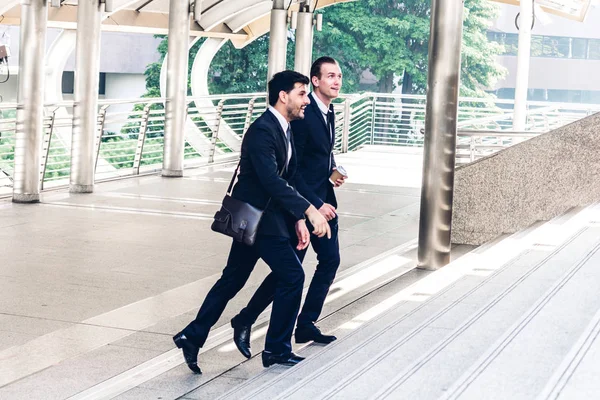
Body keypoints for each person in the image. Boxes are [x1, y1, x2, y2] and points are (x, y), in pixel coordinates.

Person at [173, 70, 331, 374]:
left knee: (232, 279)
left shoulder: (284, 129)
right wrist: (310, 212)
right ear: (283, 96)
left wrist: (299, 216)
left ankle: (192, 336)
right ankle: (275, 349)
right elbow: (271, 181)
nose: (306, 101)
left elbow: (292, 175)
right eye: (301, 93)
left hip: (268, 218)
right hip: (259, 220)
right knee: (292, 276)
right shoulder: (262, 131)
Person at [230, 57, 346, 359]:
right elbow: (291, 170)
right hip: (304, 204)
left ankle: (304, 323)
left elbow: (315, 158)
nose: (336, 81)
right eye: (330, 76)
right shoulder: (302, 116)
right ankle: (250, 320)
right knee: (289, 273)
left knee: (325, 263)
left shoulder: (327, 111)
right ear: (315, 80)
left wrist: (332, 170)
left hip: (320, 201)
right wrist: (311, 207)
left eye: (339, 76)